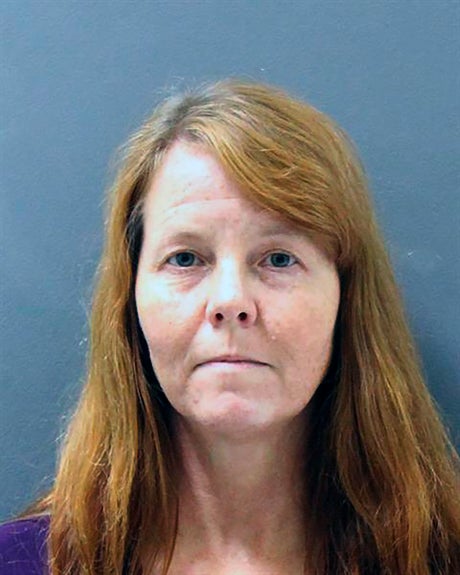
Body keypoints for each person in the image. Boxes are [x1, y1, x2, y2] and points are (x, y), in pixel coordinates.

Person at [1, 79, 459, 575]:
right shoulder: (21, 563)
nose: (230, 301)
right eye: (186, 258)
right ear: (130, 302)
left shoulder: (438, 559)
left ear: (345, 299)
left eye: (278, 258)